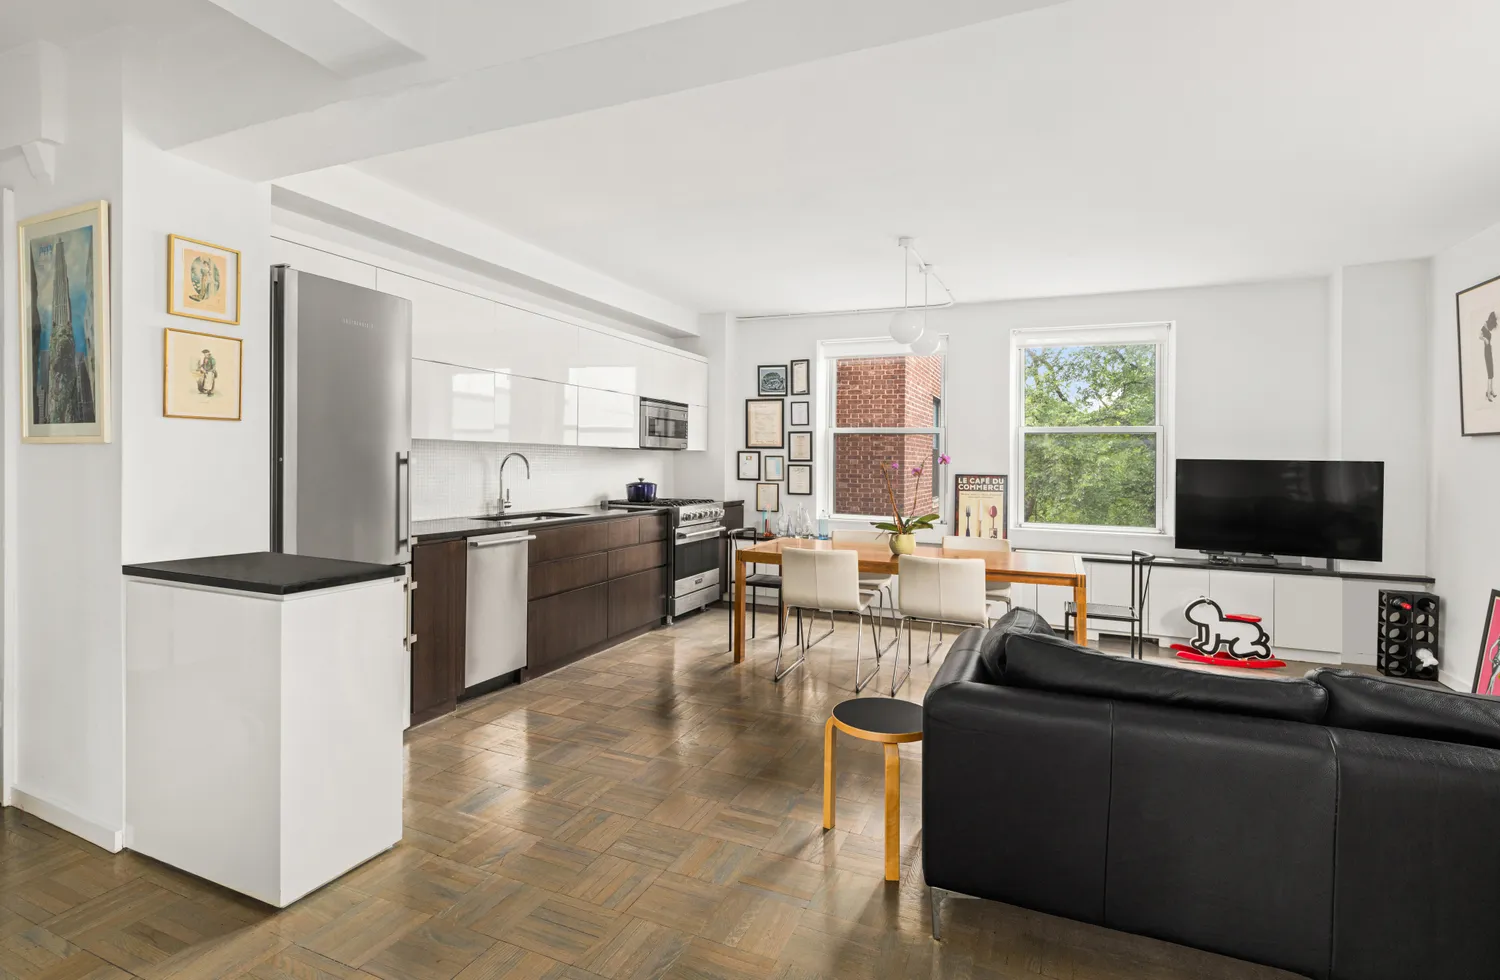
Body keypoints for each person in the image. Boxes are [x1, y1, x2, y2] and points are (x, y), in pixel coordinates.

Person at [1483, 311, 1497, 402]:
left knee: (1492, 372)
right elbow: (1479, 335)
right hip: (1487, 351)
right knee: (1489, 373)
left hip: (1490, 350)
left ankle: (1491, 390)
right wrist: (1484, 339)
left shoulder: (1488, 327)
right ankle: (1488, 393)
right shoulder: (1484, 327)